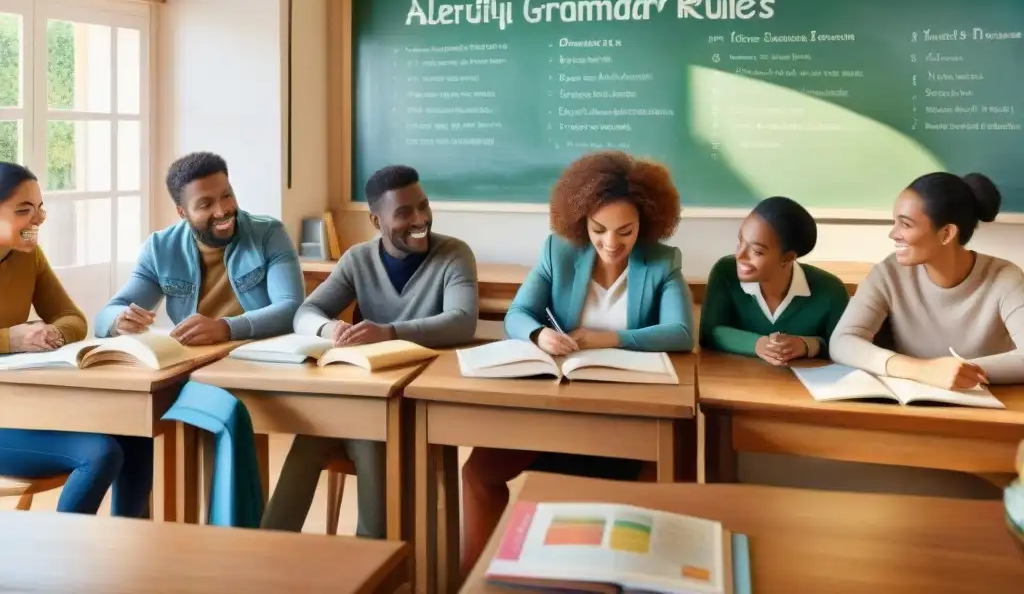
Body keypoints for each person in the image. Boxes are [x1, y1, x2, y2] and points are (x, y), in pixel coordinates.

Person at [460, 151, 695, 575]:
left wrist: (611, 339)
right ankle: (472, 581)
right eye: (598, 230)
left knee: (661, 479)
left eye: (626, 231)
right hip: (557, 405)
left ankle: (633, 577)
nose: (611, 243)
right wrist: (538, 334)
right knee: (478, 473)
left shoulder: (662, 261)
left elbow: (680, 333)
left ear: (647, 222)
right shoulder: (559, 251)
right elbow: (517, 314)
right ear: (580, 221)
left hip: (630, 415)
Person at [262, 165, 479, 537]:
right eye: (404, 212)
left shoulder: (454, 254)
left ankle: (373, 560)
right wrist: (331, 328)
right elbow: (306, 312)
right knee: (309, 437)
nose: (420, 219)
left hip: (412, 404)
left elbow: (461, 321)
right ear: (376, 221)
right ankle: (267, 554)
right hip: (360, 394)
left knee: (369, 437)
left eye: (423, 206)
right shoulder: (357, 260)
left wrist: (389, 332)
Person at [0, 162, 151, 516]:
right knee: (100, 453)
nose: (38, 219)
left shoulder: (29, 256)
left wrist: (49, 332)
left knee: (135, 432)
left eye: (40, 208)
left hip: (21, 404)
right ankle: (61, 561)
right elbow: (13, 339)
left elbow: (74, 319)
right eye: (24, 210)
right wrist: (11, 339)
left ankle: (132, 550)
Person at [830, 171, 1024, 388]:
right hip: (913, 406)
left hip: (987, 409)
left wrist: (958, 373)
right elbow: (843, 341)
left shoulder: (1005, 278)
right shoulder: (888, 273)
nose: (893, 234)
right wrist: (922, 370)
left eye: (905, 224)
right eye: (895, 222)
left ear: (946, 234)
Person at [94, 151, 304, 342]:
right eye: (205, 204)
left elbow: (290, 307)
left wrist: (226, 328)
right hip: (194, 364)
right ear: (182, 212)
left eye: (227, 196)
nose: (222, 211)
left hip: (261, 356)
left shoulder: (269, 234)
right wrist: (119, 321)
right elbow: (106, 314)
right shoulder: (160, 248)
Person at [700, 196, 849, 364]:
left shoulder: (830, 290)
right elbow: (709, 332)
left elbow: (845, 347)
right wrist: (758, 344)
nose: (740, 255)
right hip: (737, 383)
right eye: (740, 242)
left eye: (756, 251)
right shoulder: (726, 272)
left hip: (799, 387)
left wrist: (807, 345)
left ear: (787, 258)